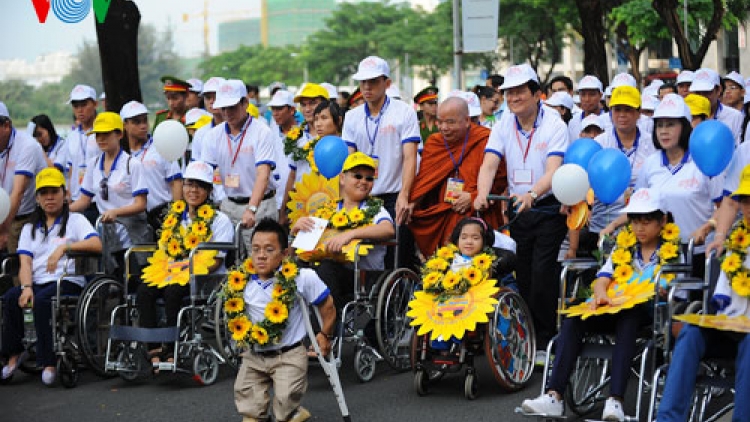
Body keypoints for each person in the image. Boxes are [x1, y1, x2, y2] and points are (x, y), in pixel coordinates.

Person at [521, 188, 679, 421]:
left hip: (647, 311)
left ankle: (615, 400)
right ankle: (554, 395)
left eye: (647, 222)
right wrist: (600, 295)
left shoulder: (672, 250)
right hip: (612, 304)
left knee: (629, 318)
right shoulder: (623, 245)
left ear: (662, 221)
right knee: (576, 316)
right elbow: (602, 279)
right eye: (635, 222)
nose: (639, 228)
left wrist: (663, 290)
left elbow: (673, 290)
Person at [474, 64, 569, 359]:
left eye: (519, 91)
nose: (513, 98)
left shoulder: (554, 124)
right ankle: (525, 335)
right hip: (519, 209)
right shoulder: (503, 123)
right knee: (523, 275)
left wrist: (532, 194)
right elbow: (490, 163)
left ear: (536, 93)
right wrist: (480, 193)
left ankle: (545, 340)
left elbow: (554, 171)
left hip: (549, 206)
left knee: (543, 273)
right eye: (508, 92)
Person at [656, 167, 750, 422]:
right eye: (745, 201)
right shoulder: (734, 242)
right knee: (691, 332)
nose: (749, 208)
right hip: (728, 326)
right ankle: (668, 419)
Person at [1, 168, 102, 385]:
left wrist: (65, 247)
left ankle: (48, 361)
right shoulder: (30, 228)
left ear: (64, 195)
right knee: (10, 297)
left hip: (67, 280)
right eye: (44, 192)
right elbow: (25, 261)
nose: (49, 197)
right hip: (37, 282)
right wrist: (26, 286)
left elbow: (96, 244)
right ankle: (13, 355)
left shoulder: (75, 220)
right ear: (37, 198)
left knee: (45, 300)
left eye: (54, 192)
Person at [234, 218, 336, 422]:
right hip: (254, 355)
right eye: (256, 249)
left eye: (269, 250)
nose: (261, 255)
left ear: (284, 253)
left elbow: (327, 306)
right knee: (250, 414)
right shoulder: (239, 281)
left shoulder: (302, 277)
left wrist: (325, 335)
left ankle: (293, 414)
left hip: (288, 355)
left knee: (285, 411)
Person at [137, 161, 233, 367]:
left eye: (200, 186)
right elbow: (165, 251)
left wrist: (188, 270)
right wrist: (172, 269)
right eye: (189, 184)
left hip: (204, 277)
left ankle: (172, 348)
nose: (193, 190)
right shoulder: (173, 218)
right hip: (172, 272)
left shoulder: (219, 220)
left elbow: (216, 261)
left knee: (173, 292)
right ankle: (153, 349)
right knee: (144, 291)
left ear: (208, 190)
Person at [342, 56, 421, 269]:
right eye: (363, 82)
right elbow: (349, 161)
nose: (367, 87)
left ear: (387, 83)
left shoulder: (403, 112)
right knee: (360, 257)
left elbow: (410, 157)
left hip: (394, 194)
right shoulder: (351, 117)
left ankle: (401, 296)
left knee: (398, 256)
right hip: (363, 195)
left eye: (374, 81)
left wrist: (405, 195)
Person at [291, 152, 395, 313]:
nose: (363, 182)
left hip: (363, 277)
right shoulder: (328, 209)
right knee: (297, 267)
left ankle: (329, 324)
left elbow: (388, 229)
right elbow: (303, 244)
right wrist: (297, 228)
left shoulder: (376, 210)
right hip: (329, 271)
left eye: (369, 178)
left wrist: (350, 235)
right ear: (342, 178)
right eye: (358, 176)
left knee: (327, 268)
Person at [635, 94, 723, 278]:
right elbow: (640, 206)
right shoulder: (650, 164)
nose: (664, 131)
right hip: (662, 254)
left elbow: (723, 206)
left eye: (670, 124)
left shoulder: (703, 161)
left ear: (684, 127)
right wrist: (613, 226)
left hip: (700, 252)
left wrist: (707, 227)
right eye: (659, 125)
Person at [409, 97, 507, 257]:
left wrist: (473, 196)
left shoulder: (485, 139)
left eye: (450, 122)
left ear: (467, 120)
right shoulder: (435, 143)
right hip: (445, 213)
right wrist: (412, 202)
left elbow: (499, 178)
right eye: (439, 122)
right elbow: (425, 182)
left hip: (476, 214)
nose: (443, 128)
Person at [69, 112, 150, 275]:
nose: (101, 139)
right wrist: (62, 211)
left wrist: (115, 212)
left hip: (131, 232)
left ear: (119, 134)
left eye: (106, 134)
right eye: (98, 135)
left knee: (132, 278)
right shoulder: (93, 164)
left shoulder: (132, 164)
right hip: (106, 232)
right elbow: (84, 200)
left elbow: (141, 204)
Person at [202, 80, 278, 242]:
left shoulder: (261, 132)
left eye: (232, 107)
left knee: (259, 260)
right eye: (223, 108)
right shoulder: (213, 136)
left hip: (260, 205)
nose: (227, 113)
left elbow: (263, 174)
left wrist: (252, 208)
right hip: (228, 205)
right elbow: (205, 172)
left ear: (245, 103)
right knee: (229, 259)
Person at [119, 101, 183, 232]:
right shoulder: (121, 153)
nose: (143, 126)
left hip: (162, 214)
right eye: (136, 122)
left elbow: (176, 182)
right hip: (133, 218)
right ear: (125, 125)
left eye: (144, 120)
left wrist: (176, 215)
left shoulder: (161, 146)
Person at [0, 102, 47, 253]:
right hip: (4, 216)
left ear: (6, 126)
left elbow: (18, 192)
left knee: (16, 270)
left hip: (25, 217)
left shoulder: (27, 145)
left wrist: (4, 230)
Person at [65, 84, 100, 223]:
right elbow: (71, 167)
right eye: (76, 106)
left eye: (84, 104)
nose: (80, 110)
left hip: (97, 200)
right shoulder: (71, 136)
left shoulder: (102, 133)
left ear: (95, 104)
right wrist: (68, 192)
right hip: (76, 199)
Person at [689, 68, 743, 145]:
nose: (702, 98)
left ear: (719, 90)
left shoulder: (734, 116)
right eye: (697, 93)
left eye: (707, 92)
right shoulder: (685, 117)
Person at [191, 76, 226, 163]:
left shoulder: (238, 129)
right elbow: (196, 165)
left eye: (216, 96)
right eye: (208, 97)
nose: (211, 101)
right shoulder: (201, 133)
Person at [568, 75, 605, 142]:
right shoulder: (573, 122)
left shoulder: (609, 121)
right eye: (583, 94)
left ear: (600, 95)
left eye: (592, 94)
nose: (587, 99)